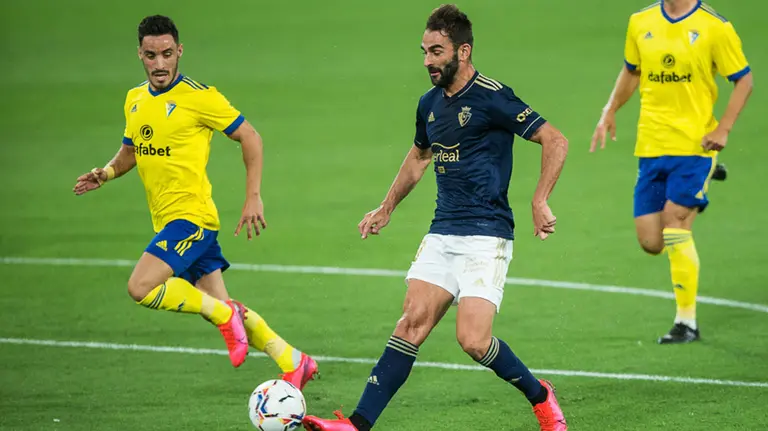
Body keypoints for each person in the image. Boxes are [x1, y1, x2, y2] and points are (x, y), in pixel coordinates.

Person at [303, 5, 568, 431]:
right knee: (410, 324)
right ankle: (356, 424)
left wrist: (540, 199)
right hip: (443, 232)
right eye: (424, 51)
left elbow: (554, 139)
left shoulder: (493, 96)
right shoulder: (428, 104)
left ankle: (540, 395)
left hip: (487, 235)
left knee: (474, 341)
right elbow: (419, 157)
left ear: (462, 52)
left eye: (436, 51)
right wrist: (386, 207)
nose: (427, 60)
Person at [72, 15, 318, 388]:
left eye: (167, 54)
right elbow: (131, 150)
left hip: (192, 219)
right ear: (140, 53)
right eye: (151, 55)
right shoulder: (135, 100)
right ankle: (293, 360)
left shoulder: (200, 97)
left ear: (179, 52)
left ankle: (224, 318)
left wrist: (253, 196)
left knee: (141, 287)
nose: (159, 64)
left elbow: (250, 137)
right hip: (167, 220)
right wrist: (104, 173)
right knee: (221, 304)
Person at [590, 0, 753, 344]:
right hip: (651, 146)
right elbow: (632, 71)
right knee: (651, 241)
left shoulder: (714, 27)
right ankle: (707, 178)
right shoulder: (640, 22)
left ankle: (686, 322)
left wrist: (723, 129)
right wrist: (610, 109)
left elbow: (744, 80)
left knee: (676, 223)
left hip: (696, 146)